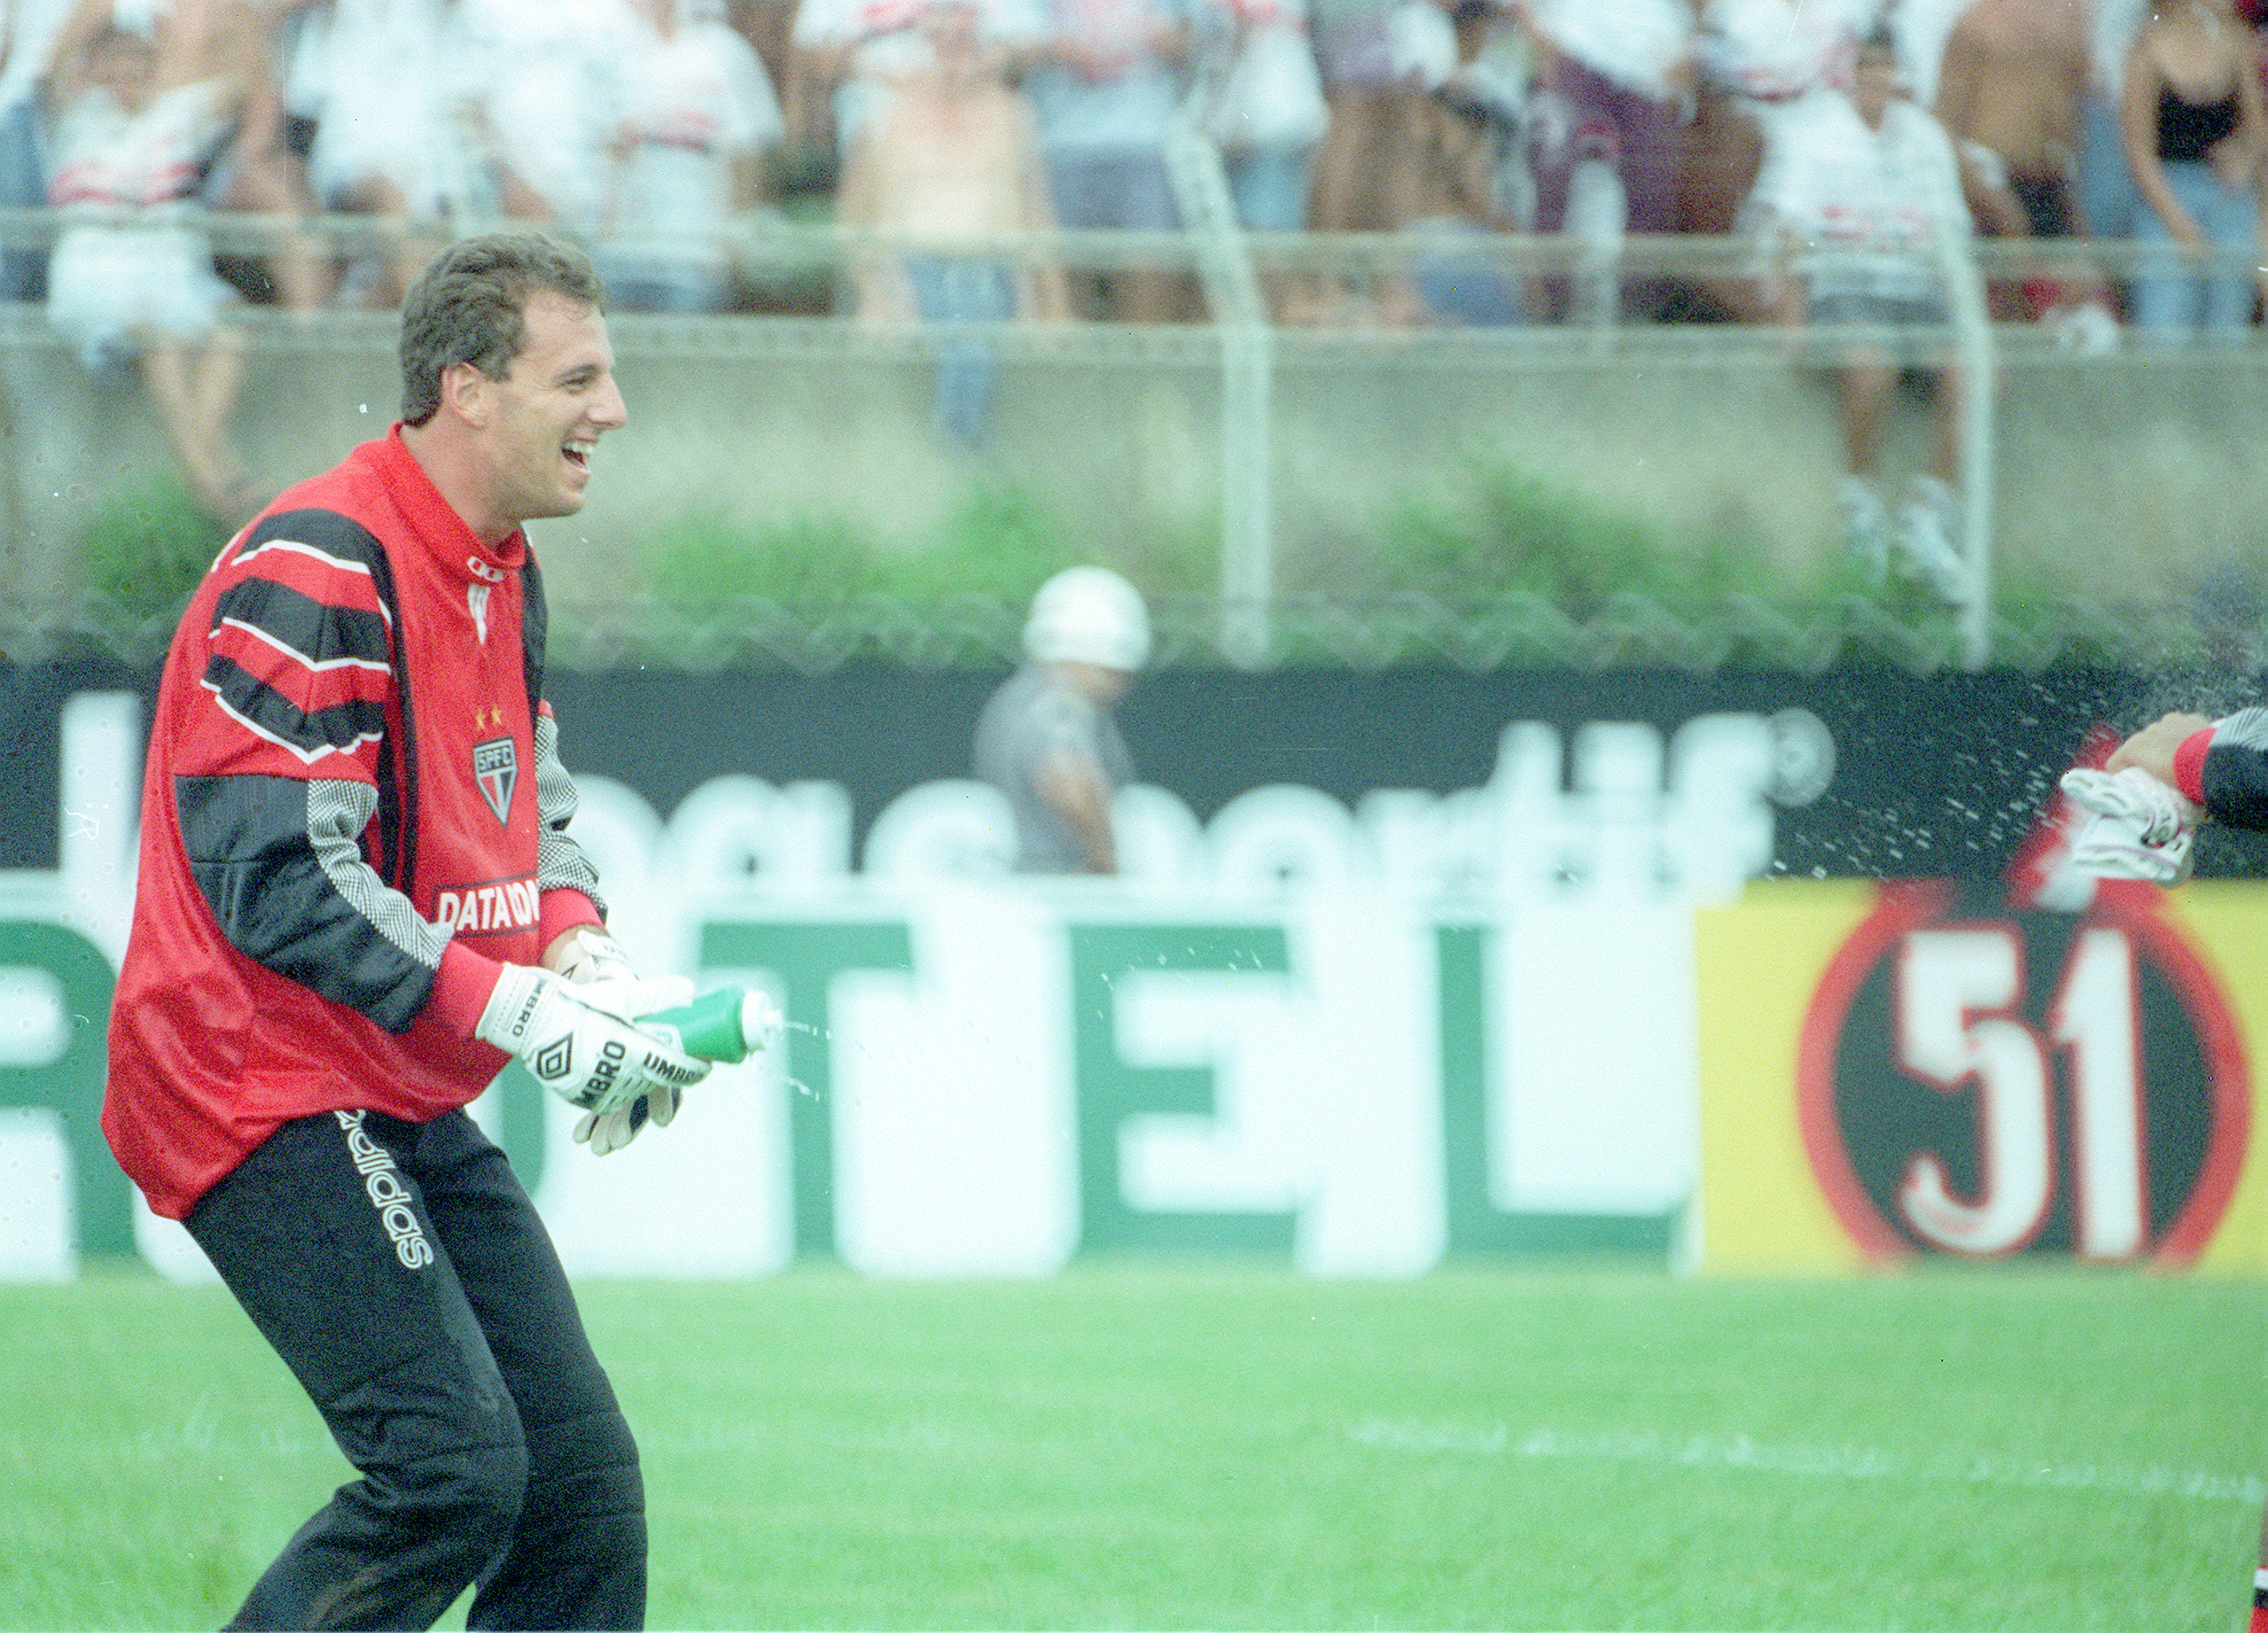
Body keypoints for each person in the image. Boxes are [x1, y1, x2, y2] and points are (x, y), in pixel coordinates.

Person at [101, 230, 717, 1630]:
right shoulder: (322, 562)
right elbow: (282, 885)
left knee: (580, 1492)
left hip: (384, 1074)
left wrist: (582, 960)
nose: (612, 410)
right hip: (252, 1081)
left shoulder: (498, 563)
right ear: (469, 390)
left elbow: (528, 799)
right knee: (451, 1473)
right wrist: (522, 1014)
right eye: (581, 377)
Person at [1749, 21, 2028, 603]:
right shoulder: (1816, 135)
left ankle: (1926, 518)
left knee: (1981, 375)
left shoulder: (1924, 135)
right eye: (1866, 65)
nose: (1875, 77)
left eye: (1885, 65)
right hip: (1846, 287)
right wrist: (1793, 323)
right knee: (1869, 362)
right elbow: (1790, 235)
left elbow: (1952, 240)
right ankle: (1862, 513)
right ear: (1850, 73)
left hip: (1917, 291)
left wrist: (1972, 323)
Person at [41, 0, 264, 522]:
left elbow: (244, 77)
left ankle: (195, 465)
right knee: (160, 340)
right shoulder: (74, 121)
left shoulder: (176, 114)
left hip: (173, 278)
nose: (127, 76)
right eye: (115, 64)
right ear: (94, 69)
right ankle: (217, 479)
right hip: (96, 283)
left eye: (139, 64)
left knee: (231, 332)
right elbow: (52, 66)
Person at [835, 0, 1069, 444]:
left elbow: (1037, 214)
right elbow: (855, 218)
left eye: (961, 34)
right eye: (939, 35)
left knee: (973, 305)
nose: (951, 47)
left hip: (990, 268)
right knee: (963, 314)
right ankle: (962, 453)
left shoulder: (1012, 115)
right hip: (914, 269)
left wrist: (1053, 308)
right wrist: (875, 295)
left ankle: (958, 449)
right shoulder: (885, 115)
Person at [594, 0, 784, 315]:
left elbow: (748, 151)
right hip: (624, 252)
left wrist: (736, 236)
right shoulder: (612, 49)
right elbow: (605, 153)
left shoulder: (724, 51)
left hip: (698, 249)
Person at [1023, 0, 1194, 321]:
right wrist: (1051, 49)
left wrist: (1161, 38)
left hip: (1145, 144)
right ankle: (1082, 366)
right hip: (1062, 146)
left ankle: (1139, 366)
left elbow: (1194, 42)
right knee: (1065, 270)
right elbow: (1008, 43)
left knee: (1151, 264)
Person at [975, 564, 1148, 872]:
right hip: (1059, 887)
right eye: (1113, 671)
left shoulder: (1023, 695)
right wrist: (1105, 857)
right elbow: (1067, 779)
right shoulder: (1057, 703)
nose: (1120, 681)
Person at [2118, 0, 2267, 341]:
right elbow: (2138, 149)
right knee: (2165, 325)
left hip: (2227, 198)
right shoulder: (2147, 50)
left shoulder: (2235, 42)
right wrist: (2179, 224)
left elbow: (2258, 128)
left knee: (2227, 326)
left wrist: (2241, 155)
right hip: (2167, 196)